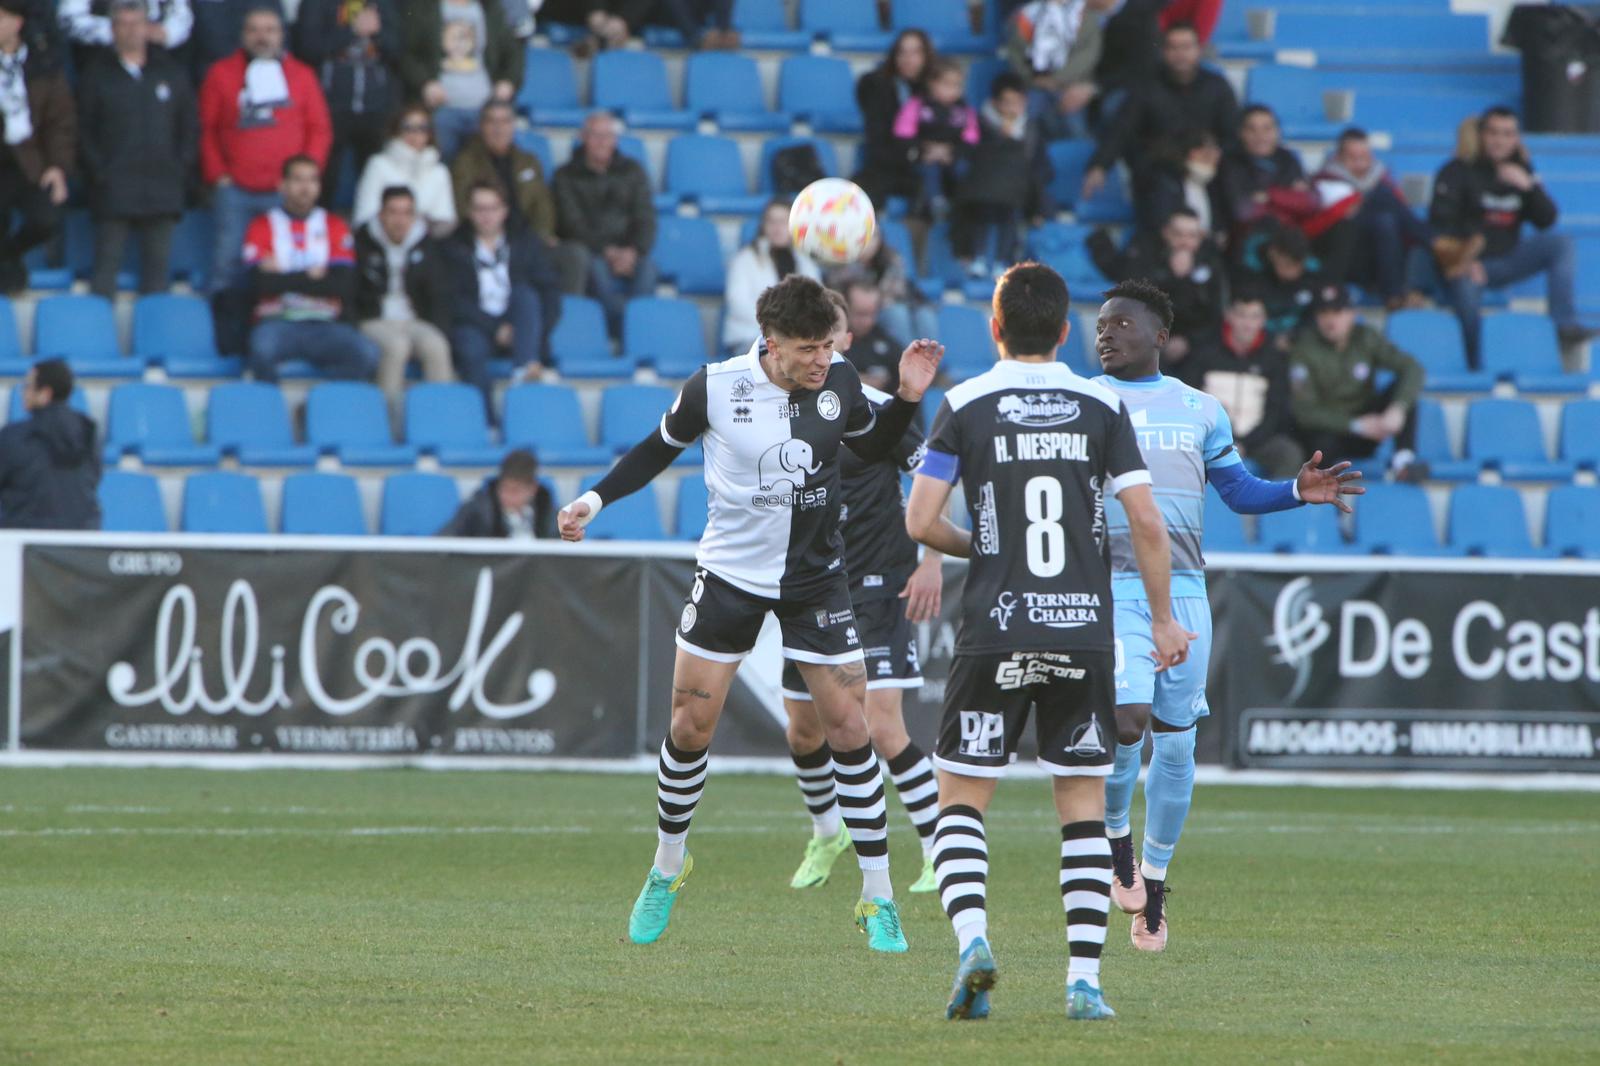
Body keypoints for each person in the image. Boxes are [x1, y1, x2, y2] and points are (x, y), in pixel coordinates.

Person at [557, 274, 944, 954]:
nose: (820, 360)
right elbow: (656, 449)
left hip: (816, 581)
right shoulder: (716, 386)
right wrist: (592, 501)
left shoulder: (841, 382)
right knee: (689, 724)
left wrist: (909, 396)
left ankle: (876, 896)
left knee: (851, 728)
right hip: (731, 577)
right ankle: (666, 870)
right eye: (806, 349)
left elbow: (876, 449)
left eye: (827, 345)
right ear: (770, 343)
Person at [904, 262, 1185, 1023]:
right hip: (1084, 634)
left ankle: (973, 943)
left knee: (961, 798)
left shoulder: (962, 403)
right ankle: (1085, 983)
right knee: (1083, 808)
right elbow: (1148, 525)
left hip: (996, 630)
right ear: (1065, 332)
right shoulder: (1101, 406)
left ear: (994, 328)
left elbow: (920, 521)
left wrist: (988, 548)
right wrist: (1161, 621)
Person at [1090, 279, 1360, 952]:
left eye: (1120, 323)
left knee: (1176, 744)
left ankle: (1152, 886)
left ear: (1158, 336)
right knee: (1126, 723)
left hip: (1183, 591)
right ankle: (1115, 837)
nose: (1105, 334)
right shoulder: (1085, 402)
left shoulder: (1200, 409)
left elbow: (1237, 491)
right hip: (1112, 586)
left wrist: (1295, 491)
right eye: (1099, 324)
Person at [780, 288, 945, 896]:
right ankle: (828, 832)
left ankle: (938, 851)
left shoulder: (878, 407)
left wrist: (932, 561)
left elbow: (935, 475)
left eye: (832, 334)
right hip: (811, 589)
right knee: (803, 730)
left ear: (846, 342)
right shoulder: (786, 406)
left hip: (878, 584)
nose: (823, 345)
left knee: (881, 725)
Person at [1429, 106, 1598, 366]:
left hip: (1510, 258)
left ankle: (1564, 326)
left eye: (1508, 134)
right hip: (1469, 261)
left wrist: (1529, 187)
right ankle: (1474, 362)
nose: (1500, 140)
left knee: (1561, 244)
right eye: (1494, 133)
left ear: (1517, 138)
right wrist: (1465, 259)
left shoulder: (1521, 169)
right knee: (1465, 292)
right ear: (1482, 135)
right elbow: (1440, 223)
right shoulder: (1458, 170)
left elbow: (1547, 220)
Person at [200, 5, 331, 296]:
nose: (262, 37)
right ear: (243, 35)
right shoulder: (221, 74)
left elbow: (319, 129)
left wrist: (305, 176)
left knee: (283, 266)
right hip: (235, 191)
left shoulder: (302, 75)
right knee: (227, 265)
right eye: (254, 30)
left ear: (282, 35)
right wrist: (218, 174)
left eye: (270, 30)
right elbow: (206, 129)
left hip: (284, 191)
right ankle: (223, 336)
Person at [77, 0, 196, 300]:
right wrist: (99, 172)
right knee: (105, 271)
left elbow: (189, 128)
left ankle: (156, 340)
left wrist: (178, 168)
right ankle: (96, 343)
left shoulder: (171, 72)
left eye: (136, 24)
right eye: (123, 24)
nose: (130, 31)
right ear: (112, 29)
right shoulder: (95, 75)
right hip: (113, 186)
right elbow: (83, 131)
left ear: (148, 27)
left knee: (158, 275)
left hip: (162, 185)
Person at [243, 154, 379, 382]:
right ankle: (273, 413)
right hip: (277, 321)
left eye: (312, 180)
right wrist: (311, 276)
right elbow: (259, 284)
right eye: (298, 180)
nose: (305, 187)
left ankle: (317, 408)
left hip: (325, 323)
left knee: (366, 354)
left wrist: (284, 273)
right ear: (282, 185)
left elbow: (344, 285)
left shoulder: (334, 225)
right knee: (261, 350)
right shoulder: (262, 225)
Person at [1082, 21, 1237, 203]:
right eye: (1173, 47)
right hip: (1158, 173)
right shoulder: (1146, 86)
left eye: (1186, 47)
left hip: (1207, 171)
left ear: (1199, 50)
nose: (1180, 54)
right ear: (1163, 52)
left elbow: (1232, 132)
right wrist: (1100, 165)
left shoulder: (1216, 86)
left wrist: (1215, 153)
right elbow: (1122, 128)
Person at [446, 180, 563, 411]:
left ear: (504, 211)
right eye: (480, 209)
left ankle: (524, 372)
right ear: (469, 212)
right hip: (476, 325)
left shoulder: (526, 243)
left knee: (526, 295)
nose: (486, 215)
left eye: (492, 208)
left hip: (520, 326)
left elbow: (550, 292)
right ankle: (487, 423)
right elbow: (454, 301)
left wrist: (534, 331)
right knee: (471, 350)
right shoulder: (452, 247)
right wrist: (495, 328)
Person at [1290, 284, 1425, 476]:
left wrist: (1397, 408)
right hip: (1332, 430)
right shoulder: (1304, 348)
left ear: (1352, 314)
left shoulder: (1365, 337)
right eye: (1324, 313)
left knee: (1403, 393)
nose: (1331, 320)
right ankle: (1322, 491)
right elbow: (1305, 411)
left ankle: (1404, 461)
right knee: (1319, 443)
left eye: (1338, 311)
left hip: (1368, 427)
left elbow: (1412, 368)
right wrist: (1356, 425)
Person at [1180, 289, 1302, 478]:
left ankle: (1275, 506)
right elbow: (1188, 402)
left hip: (1257, 442)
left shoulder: (1274, 359)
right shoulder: (1204, 353)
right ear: (1229, 316)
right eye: (1241, 315)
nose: (1247, 324)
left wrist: (1245, 444)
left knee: (1289, 454)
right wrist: (1218, 441)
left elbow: (1275, 412)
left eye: (1254, 317)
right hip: (1209, 441)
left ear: (1263, 320)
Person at [551, 111, 653, 333]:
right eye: (595, 135)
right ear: (583, 138)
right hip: (593, 251)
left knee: (649, 270)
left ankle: (639, 334)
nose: (601, 142)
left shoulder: (633, 171)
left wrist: (633, 251)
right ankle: (615, 332)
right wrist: (608, 251)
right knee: (595, 270)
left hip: (629, 251)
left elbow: (645, 217)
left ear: (615, 139)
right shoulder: (565, 175)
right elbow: (571, 224)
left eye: (607, 135)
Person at [292, 0, 400, 210]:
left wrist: (376, 34)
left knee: (374, 187)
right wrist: (352, 31)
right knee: (325, 183)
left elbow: (397, 50)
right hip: (330, 107)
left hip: (375, 107)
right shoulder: (315, 4)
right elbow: (307, 48)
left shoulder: (383, 3)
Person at [354, 184, 454, 410]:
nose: (400, 220)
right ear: (381, 214)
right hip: (373, 319)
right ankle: (387, 425)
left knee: (436, 344)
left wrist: (440, 327)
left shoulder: (425, 244)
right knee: (397, 346)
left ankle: (439, 421)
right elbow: (352, 291)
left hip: (412, 320)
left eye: (406, 212)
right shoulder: (362, 242)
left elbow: (439, 293)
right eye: (393, 212)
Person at [1310, 127, 1431, 310]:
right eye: (1352, 158)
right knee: (1383, 200)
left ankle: (1397, 292)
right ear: (1338, 158)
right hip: (1349, 260)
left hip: (1382, 261)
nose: (1360, 165)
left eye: (1365, 158)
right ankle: (1436, 242)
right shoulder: (1325, 183)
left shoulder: (1381, 179)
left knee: (1386, 218)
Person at [0, 0, 74, 295]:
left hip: (28, 161)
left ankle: (7, 256)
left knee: (46, 219)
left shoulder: (42, 65)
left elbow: (61, 121)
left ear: (17, 23)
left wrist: (57, 167)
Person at [954, 71, 1049, 277]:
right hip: (984, 192)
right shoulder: (978, 125)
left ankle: (1003, 260)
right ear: (995, 103)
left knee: (1010, 222)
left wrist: (1038, 207)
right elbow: (969, 155)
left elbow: (1038, 170)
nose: (1012, 108)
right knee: (980, 219)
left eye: (1018, 102)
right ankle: (977, 257)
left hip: (1015, 194)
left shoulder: (1032, 130)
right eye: (1007, 102)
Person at [398, 0, 519, 160]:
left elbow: (514, 53)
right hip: (440, 108)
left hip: (484, 109)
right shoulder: (424, 6)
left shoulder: (490, 7)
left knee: (488, 166)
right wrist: (425, 83)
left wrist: (508, 81)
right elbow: (406, 54)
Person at [1109, 207, 1224, 373]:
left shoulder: (1211, 264)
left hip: (1194, 345)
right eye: (1178, 234)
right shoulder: (1146, 257)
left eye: (1192, 236)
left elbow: (1215, 315)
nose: (1185, 242)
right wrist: (1173, 277)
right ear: (1166, 233)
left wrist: (1189, 341)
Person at [0, 358, 101, 530]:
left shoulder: (14, 437)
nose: (23, 392)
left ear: (45, 394)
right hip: (82, 543)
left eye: (27, 386)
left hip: (27, 545)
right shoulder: (87, 435)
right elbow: (94, 479)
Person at [1004, 0, 1118, 141]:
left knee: (1074, 126)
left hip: (1071, 85)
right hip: (1033, 85)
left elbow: (1088, 55)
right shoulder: (1028, 15)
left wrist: (1056, 79)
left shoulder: (1085, 15)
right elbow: (1016, 52)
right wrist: (1034, 77)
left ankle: (1078, 157)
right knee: (1024, 121)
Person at [721, 198, 821, 352]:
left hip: (797, 341)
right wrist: (778, 330)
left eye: (783, 222)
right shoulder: (744, 260)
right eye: (772, 222)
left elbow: (815, 302)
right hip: (752, 339)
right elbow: (738, 303)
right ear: (763, 226)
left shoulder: (805, 262)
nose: (777, 228)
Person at [454, 99, 555, 242]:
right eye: (492, 122)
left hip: (528, 241)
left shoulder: (529, 161)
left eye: (505, 121)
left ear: (513, 125)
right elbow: (463, 206)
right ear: (481, 126)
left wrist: (541, 237)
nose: (498, 128)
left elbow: (542, 205)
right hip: (486, 241)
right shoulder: (465, 163)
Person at [853, 29, 932, 208]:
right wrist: (914, 152)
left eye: (915, 52)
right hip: (887, 166)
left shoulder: (936, 91)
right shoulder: (879, 87)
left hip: (927, 168)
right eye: (902, 52)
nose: (908, 59)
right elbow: (877, 140)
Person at [892, 58, 978, 219]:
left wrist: (951, 152)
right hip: (923, 157)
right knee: (929, 170)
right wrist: (925, 149)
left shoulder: (964, 110)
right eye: (946, 84)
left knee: (963, 169)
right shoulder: (917, 105)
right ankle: (936, 202)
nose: (952, 90)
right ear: (932, 83)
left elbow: (971, 139)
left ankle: (964, 204)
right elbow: (903, 134)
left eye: (957, 85)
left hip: (952, 158)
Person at [353, 105, 456, 234]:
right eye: (408, 128)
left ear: (430, 134)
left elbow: (444, 221)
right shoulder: (378, 165)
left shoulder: (440, 172)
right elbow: (364, 217)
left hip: (427, 247)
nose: (415, 134)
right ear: (397, 131)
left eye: (422, 128)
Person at [438, 449, 555, 538]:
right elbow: (444, 540)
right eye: (503, 489)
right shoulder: (477, 512)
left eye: (515, 491)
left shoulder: (549, 515)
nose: (506, 496)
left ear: (533, 489)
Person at [1133, 127, 1222, 238]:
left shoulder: (1213, 186)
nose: (1213, 155)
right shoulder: (1165, 183)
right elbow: (1161, 223)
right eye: (1205, 150)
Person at [57, 0, 190, 60]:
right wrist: (120, 30)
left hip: (160, 62)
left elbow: (182, 14)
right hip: (103, 64)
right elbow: (68, 19)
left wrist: (168, 33)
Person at [838, 279, 903, 392]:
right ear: (845, 308)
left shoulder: (888, 345)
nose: (867, 321)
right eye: (860, 314)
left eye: (872, 314)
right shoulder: (830, 343)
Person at [657, 0, 737, 50]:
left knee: (723, 33)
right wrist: (698, 37)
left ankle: (723, 34)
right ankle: (698, 39)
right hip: (664, 15)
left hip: (697, 15)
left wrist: (722, 29)